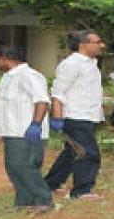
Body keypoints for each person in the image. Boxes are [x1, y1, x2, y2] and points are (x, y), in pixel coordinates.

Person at [0, 46, 54, 214]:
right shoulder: (9, 77)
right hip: (12, 131)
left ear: (4, 58)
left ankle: (43, 200)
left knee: (24, 166)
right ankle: (24, 201)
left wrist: (36, 125)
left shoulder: (28, 76)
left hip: (26, 131)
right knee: (13, 167)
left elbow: (41, 101)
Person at [45, 30, 106, 199]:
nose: (102, 45)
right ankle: (81, 190)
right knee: (87, 153)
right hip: (75, 116)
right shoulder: (71, 64)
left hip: (88, 116)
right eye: (97, 42)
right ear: (83, 45)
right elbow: (58, 92)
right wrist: (57, 117)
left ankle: (50, 183)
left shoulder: (91, 63)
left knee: (72, 152)